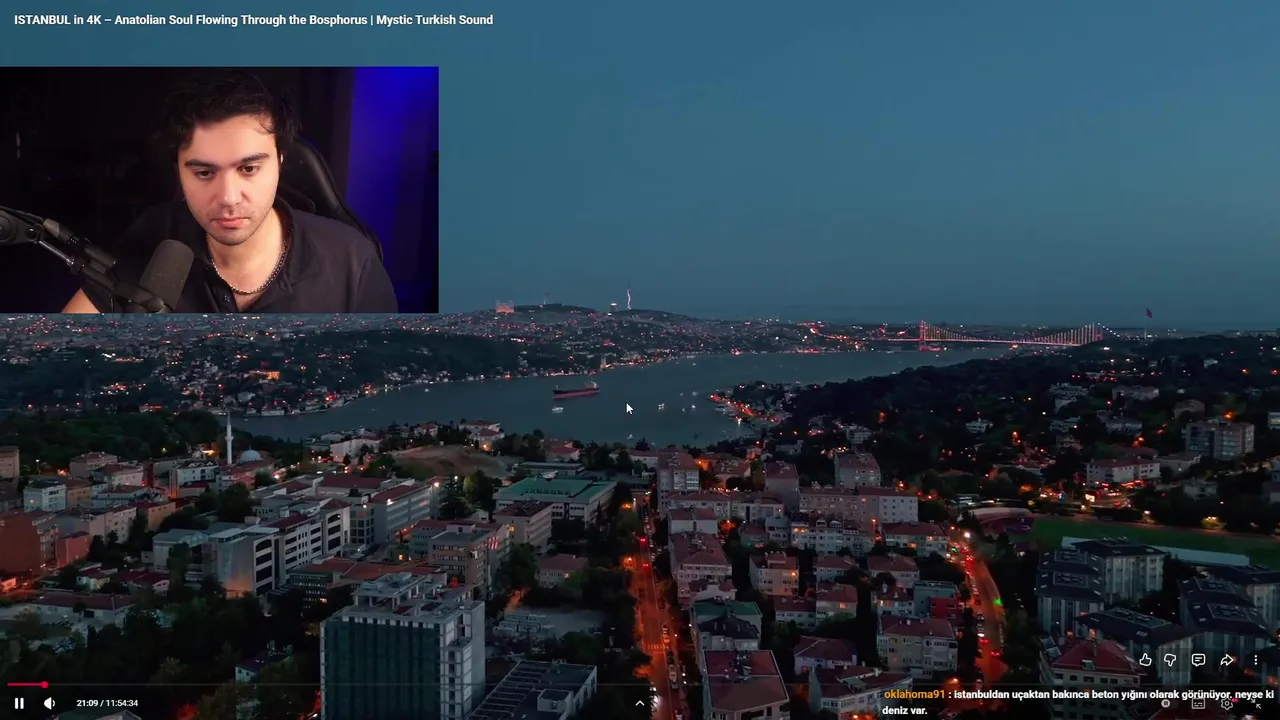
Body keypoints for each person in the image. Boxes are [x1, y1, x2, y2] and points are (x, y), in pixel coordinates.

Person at [63, 70, 399, 313]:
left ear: (280, 161)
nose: (228, 198)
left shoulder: (352, 263)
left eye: (249, 169)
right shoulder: (155, 235)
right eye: (204, 173)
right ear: (178, 170)